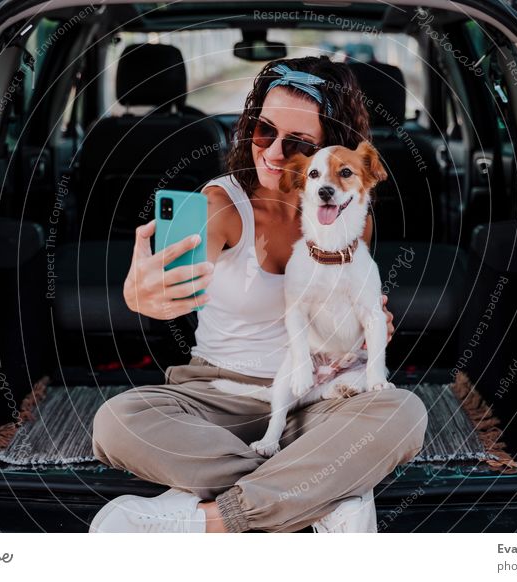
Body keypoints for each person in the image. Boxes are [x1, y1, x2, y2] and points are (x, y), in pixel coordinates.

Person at [90, 55, 429, 533]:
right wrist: (141, 294)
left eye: (296, 143)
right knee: (118, 423)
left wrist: (365, 328)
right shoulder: (222, 204)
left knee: (405, 413)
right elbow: (173, 271)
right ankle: (323, 496)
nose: (271, 153)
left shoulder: (352, 215)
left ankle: (211, 520)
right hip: (216, 398)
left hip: (318, 397)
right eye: (263, 131)